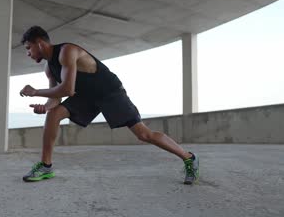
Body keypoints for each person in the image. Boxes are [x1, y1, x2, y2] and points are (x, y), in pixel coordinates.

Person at [19, 26, 199, 185]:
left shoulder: (67, 51)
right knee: (54, 113)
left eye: (29, 48)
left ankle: (189, 158)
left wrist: (35, 91)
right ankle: (46, 166)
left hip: (109, 92)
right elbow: (55, 98)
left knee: (144, 134)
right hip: (86, 96)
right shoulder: (49, 68)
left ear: (40, 43)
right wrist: (45, 107)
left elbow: (67, 89)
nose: (28, 53)